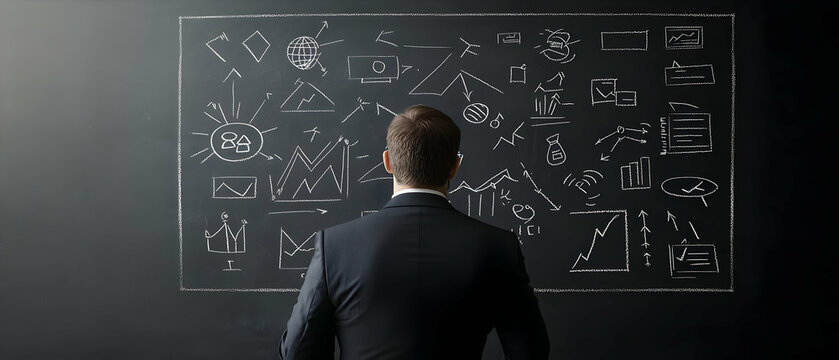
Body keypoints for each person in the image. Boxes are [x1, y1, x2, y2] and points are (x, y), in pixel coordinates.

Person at [279, 105, 549, 359]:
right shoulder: (499, 246)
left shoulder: (334, 245)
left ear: (387, 162)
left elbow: (298, 351)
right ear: (455, 167)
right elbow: (531, 352)